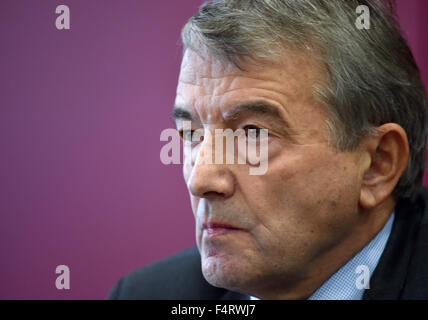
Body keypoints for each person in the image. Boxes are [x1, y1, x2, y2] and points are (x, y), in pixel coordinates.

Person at [109, 0, 428, 300]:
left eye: (254, 133)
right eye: (191, 133)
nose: (200, 180)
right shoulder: (148, 293)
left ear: (377, 164)